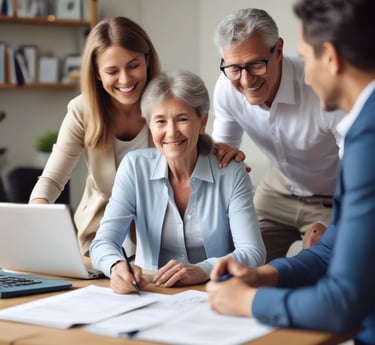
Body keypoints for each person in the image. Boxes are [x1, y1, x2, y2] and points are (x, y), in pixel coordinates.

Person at [207, 0, 375, 344]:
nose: (306, 73)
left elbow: (340, 303)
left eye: (306, 56)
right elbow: (332, 247)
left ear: (330, 56)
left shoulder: (367, 138)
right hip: (283, 185)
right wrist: (262, 276)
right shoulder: (365, 123)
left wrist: (249, 301)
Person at [90, 70, 266, 293]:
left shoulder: (230, 171)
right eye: (160, 121)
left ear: (202, 122)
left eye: (182, 119)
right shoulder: (134, 168)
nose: (171, 132)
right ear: (149, 125)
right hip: (149, 292)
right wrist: (117, 267)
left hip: (214, 293)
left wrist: (203, 269)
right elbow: (103, 243)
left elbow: (253, 252)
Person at [212, 7, 346, 261]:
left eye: (256, 65)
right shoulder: (226, 88)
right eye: (234, 68)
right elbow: (221, 155)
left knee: (321, 267)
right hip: (278, 189)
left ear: (279, 51)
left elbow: (358, 169)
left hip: (334, 197)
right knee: (236, 264)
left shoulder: (321, 88)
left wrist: (337, 227)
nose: (246, 80)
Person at [29, 16, 161, 256]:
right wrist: (36, 218)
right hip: (98, 236)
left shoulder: (168, 103)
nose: (125, 79)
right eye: (112, 71)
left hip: (161, 236)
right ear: (98, 74)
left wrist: (218, 151)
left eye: (133, 65)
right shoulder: (82, 111)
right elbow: (52, 180)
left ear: (147, 61)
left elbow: (195, 155)